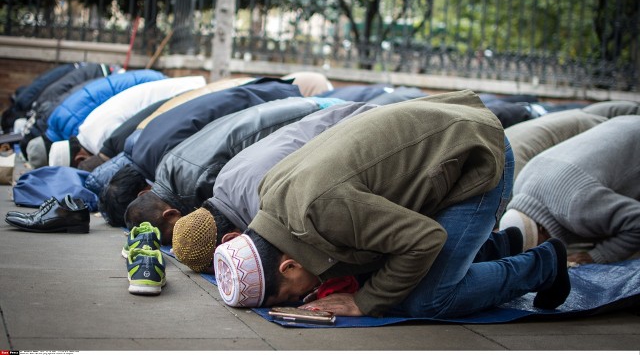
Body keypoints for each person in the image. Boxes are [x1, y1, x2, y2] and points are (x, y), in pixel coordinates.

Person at [213, 90, 571, 319]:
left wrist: (365, 303)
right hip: (441, 139)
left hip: (474, 153)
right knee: (383, 272)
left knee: (427, 300)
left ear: (289, 267)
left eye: (294, 296)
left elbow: (425, 240)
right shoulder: (270, 197)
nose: (306, 296)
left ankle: (544, 265)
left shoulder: (324, 211)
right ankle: (493, 248)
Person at [171, 100, 379, 273]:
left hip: (372, 134)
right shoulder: (223, 181)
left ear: (231, 239)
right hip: (351, 115)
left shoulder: (265, 211)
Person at [121, 96, 338, 239]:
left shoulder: (197, 188)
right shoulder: (165, 169)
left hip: (317, 115)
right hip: (297, 108)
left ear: (171, 214)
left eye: (173, 235)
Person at [96, 78, 303, 226]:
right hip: (255, 93)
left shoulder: (188, 181)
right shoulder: (149, 153)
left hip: (274, 103)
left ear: (143, 194)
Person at [500, 115, 640, 265]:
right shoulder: (522, 182)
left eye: (540, 246)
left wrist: (595, 256)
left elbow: (637, 222)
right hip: (622, 123)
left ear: (542, 228)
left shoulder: (576, 206)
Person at [47, 75, 206, 170]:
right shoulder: (86, 129)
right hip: (176, 91)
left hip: (185, 95)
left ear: (79, 159)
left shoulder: (102, 140)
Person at [505, 100, 639, 178]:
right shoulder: (496, 151)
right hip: (568, 118)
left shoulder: (512, 175)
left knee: (630, 133)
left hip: (580, 125)